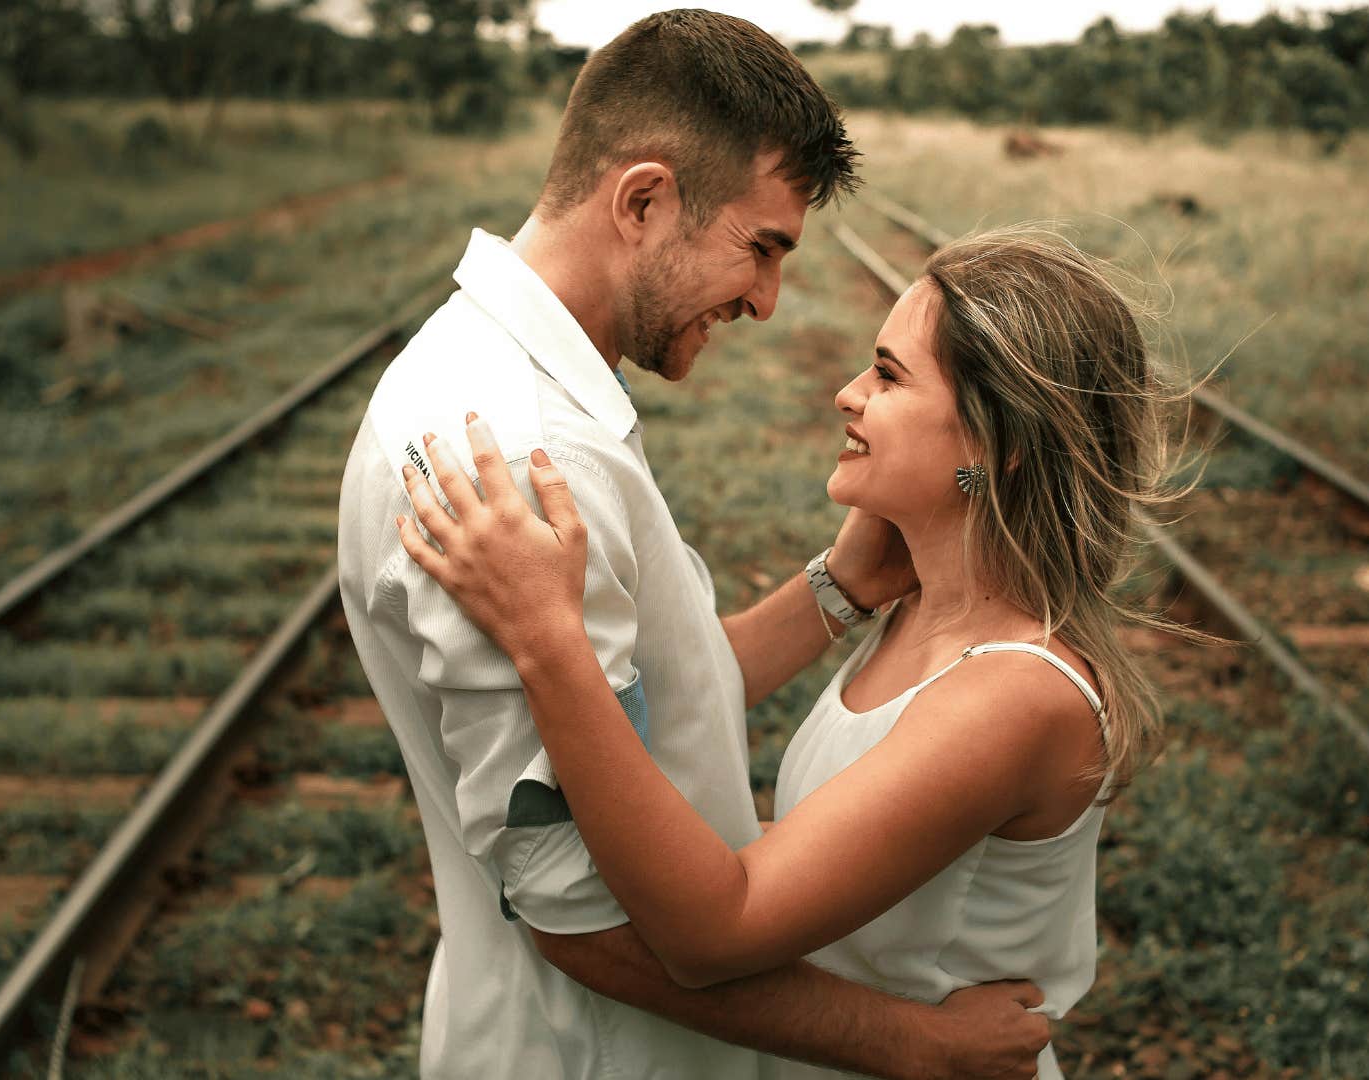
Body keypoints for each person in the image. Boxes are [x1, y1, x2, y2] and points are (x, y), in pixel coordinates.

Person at [336, 9, 1053, 1079]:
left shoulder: (495, 382)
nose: (765, 301)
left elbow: (637, 708)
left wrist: (838, 588)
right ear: (643, 201)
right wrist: (914, 1045)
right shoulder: (524, 460)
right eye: (760, 248)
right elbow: (580, 915)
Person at [394, 225, 1184, 1080]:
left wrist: (546, 637)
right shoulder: (920, 611)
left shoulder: (1012, 697)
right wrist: (838, 587)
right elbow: (773, 782)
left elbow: (712, 934)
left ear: (995, 441)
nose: (848, 395)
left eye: (887, 375)